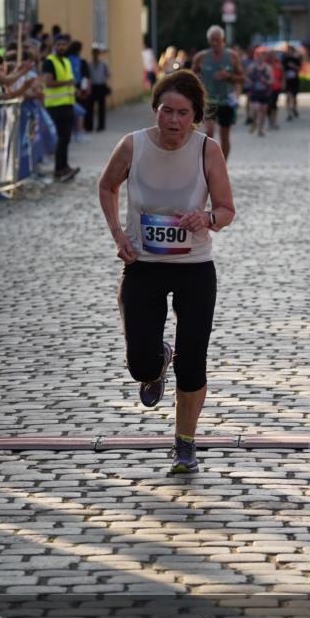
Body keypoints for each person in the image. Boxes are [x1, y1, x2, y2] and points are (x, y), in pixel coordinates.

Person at [98, 69, 235, 475]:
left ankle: (185, 444)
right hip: (143, 267)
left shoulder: (207, 150)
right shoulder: (132, 146)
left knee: (193, 363)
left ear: (195, 116)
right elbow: (106, 186)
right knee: (141, 363)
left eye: (182, 113)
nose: (172, 121)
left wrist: (207, 218)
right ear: (155, 109)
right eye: (165, 111)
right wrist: (118, 234)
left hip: (194, 268)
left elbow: (227, 209)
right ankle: (157, 361)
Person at [192, 25, 243, 162]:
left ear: (223, 40)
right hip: (209, 100)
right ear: (209, 41)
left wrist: (229, 76)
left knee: (224, 134)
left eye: (218, 40)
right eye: (212, 40)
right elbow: (191, 76)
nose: (215, 43)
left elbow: (242, 78)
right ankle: (208, 163)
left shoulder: (232, 56)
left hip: (226, 100)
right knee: (209, 131)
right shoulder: (201, 57)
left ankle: (223, 164)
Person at [43, 32, 79, 181]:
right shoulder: (49, 61)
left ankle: (65, 166)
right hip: (55, 106)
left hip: (68, 104)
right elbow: (48, 82)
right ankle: (59, 169)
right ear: (54, 46)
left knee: (66, 138)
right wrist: (67, 83)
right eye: (59, 44)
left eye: (64, 44)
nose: (62, 47)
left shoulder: (66, 61)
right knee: (60, 138)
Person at [89, 44, 111, 132]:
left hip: (101, 86)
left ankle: (101, 126)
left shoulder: (103, 64)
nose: (95, 54)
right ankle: (89, 126)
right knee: (90, 107)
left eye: (97, 53)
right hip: (92, 87)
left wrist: (104, 78)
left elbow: (108, 75)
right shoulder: (89, 64)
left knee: (101, 107)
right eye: (94, 53)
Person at [281, 43, 302, 121]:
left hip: (294, 80)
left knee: (294, 96)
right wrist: (283, 81)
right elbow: (282, 70)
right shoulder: (284, 60)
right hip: (287, 80)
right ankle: (289, 113)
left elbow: (299, 69)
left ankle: (294, 108)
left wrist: (293, 66)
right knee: (288, 96)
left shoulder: (296, 59)